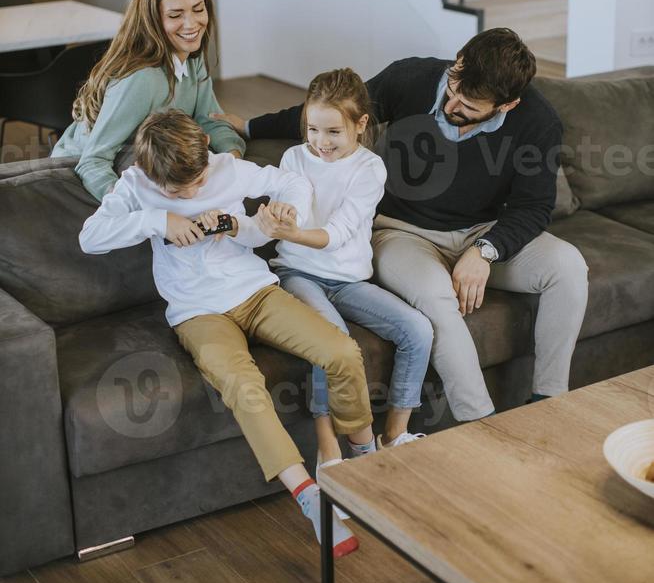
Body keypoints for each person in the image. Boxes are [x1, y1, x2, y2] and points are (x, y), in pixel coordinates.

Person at [217, 29, 589, 423]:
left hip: (484, 232)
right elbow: (334, 111)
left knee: (568, 267)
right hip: (402, 233)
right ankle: (480, 422)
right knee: (435, 296)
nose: (453, 102)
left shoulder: (538, 121)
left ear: (508, 104)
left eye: (470, 104)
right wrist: (251, 127)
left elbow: (534, 207)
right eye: (455, 85)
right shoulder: (411, 77)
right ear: (458, 60)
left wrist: (485, 251)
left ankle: (549, 404)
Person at [79, 109, 376, 558]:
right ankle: (311, 499)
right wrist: (158, 222)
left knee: (341, 352)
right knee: (243, 385)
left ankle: (366, 458)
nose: (195, 192)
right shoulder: (135, 185)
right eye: (181, 190)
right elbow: (91, 237)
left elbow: (291, 183)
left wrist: (279, 211)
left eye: (198, 181)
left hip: (255, 289)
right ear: (152, 176)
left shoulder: (227, 168)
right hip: (198, 312)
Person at [254, 67, 433, 487]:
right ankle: (328, 445)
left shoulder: (370, 169)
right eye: (312, 129)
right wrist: (281, 218)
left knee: (418, 330)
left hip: (349, 280)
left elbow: (337, 234)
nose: (321, 142)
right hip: (297, 272)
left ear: (361, 124)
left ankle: (394, 434)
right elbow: (289, 206)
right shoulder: (294, 158)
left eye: (333, 131)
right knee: (332, 340)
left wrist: (293, 230)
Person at [52, 0, 245, 201]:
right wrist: (134, 211)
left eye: (198, 9)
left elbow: (211, 120)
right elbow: (93, 160)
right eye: (176, 15)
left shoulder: (192, 59)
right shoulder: (142, 79)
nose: (192, 24)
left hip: (137, 159)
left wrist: (235, 163)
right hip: (75, 171)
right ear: (152, 21)